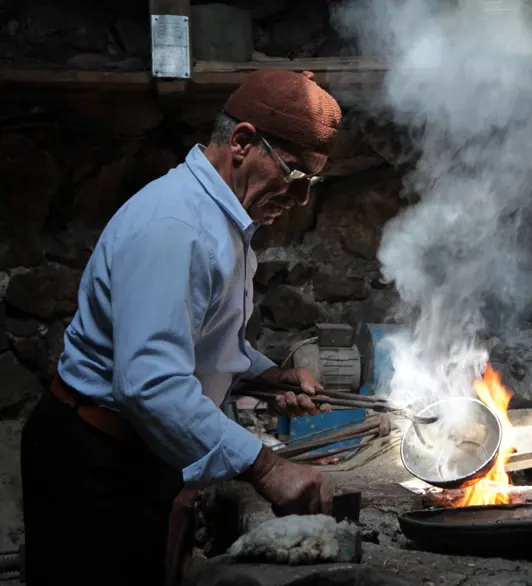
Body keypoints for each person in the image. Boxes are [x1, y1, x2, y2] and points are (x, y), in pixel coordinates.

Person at [20, 69, 343, 586]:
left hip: (137, 456)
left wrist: (264, 375)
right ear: (242, 142)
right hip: (95, 462)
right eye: (295, 177)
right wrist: (265, 467)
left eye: (312, 184)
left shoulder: (225, 218)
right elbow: (151, 383)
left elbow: (197, 339)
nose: (300, 200)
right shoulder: (177, 227)